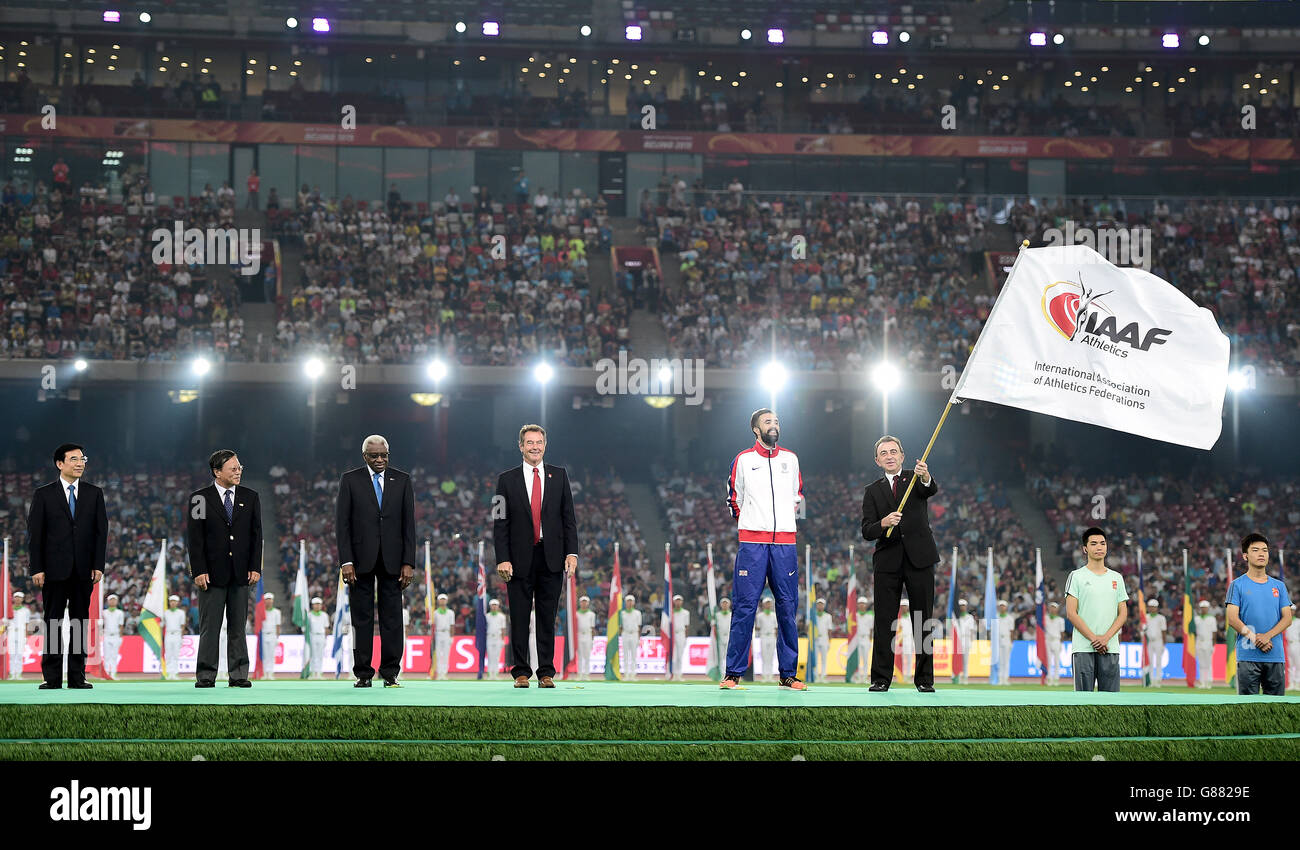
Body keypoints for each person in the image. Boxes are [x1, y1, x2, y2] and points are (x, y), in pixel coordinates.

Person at [722, 409, 807, 691]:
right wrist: (750, 522)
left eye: (777, 421)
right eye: (768, 422)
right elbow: (734, 497)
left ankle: (788, 674)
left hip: (785, 543)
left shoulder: (791, 459)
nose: (774, 426)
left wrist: (783, 520)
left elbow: (797, 496)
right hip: (752, 543)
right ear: (756, 430)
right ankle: (733, 673)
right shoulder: (743, 460)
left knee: (787, 607)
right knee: (745, 607)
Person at [492, 424, 579, 688]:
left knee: (546, 617)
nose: (535, 447)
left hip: (551, 557)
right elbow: (499, 523)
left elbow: (569, 520)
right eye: (529, 442)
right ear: (520, 446)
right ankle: (520, 671)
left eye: (539, 442)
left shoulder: (560, 476)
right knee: (519, 616)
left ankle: (546, 672)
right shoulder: (505, 480)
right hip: (518, 560)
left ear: (545, 445)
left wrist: (572, 552)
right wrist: (502, 558)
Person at [860, 435, 939, 692]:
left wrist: (925, 476)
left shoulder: (916, 478)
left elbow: (930, 489)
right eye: (884, 453)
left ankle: (925, 680)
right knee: (884, 621)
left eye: (894, 451)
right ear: (877, 460)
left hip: (920, 559)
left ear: (902, 456)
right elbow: (867, 530)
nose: (890, 456)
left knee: (922, 620)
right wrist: (883, 523)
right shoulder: (872, 491)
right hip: (887, 561)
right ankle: (881, 679)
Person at [337, 435, 416, 688]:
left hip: (394, 561)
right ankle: (363, 673)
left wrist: (409, 562)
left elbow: (409, 525)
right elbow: (343, 525)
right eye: (374, 456)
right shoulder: (350, 480)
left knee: (393, 618)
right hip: (359, 561)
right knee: (361, 618)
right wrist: (345, 561)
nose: (380, 460)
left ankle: (390, 672)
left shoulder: (402, 480)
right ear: (364, 456)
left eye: (384, 455)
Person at [28, 443, 107, 689]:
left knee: (80, 622)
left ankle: (77, 676)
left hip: (84, 570)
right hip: (52, 570)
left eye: (82, 458)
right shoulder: (44, 494)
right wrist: (37, 567)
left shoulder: (95, 493)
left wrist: (98, 565)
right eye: (74, 459)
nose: (80, 463)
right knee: (53, 622)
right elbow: (35, 534)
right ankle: (51, 677)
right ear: (60, 464)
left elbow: (100, 532)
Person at [187, 448, 262, 688]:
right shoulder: (199, 498)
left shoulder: (251, 497)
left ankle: (239, 674)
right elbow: (195, 538)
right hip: (211, 575)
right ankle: (206, 675)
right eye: (233, 468)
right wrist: (198, 570)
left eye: (240, 467)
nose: (238, 471)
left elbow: (256, 535)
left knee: (238, 627)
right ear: (217, 472)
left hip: (241, 574)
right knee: (210, 628)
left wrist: (255, 567)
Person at [1226, 533, 1292, 696]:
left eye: (1265, 550)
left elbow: (1287, 618)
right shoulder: (1237, 585)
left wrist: (1267, 636)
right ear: (1245, 556)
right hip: (1248, 655)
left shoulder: (1279, 586)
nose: (1261, 554)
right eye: (1255, 550)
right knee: (1247, 711)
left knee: (1277, 711)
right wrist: (1255, 638)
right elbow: (1232, 618)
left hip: (1275, 655)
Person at [1064, 527, 1128, 692]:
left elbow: (1123, 613)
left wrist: (1105, 638)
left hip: (1110, 646)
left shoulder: (1116, 578)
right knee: (1083, 703)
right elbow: (1071, 613)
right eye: (1093, 544)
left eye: (1102, 543)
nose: (1099, 547)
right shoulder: (1076, 576)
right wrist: (1094, 639)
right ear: (1085, 549)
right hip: (1084, 647)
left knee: (1111, 703)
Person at [6, 591, 30, 678]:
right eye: (16, 597)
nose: (17, 599)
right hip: (11, 632)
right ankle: (12, 673)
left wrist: (26, 636)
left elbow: (27, 624)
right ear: (13, 598)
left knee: (19, 654)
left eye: (19, 597)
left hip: (21, 632)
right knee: (12, 654)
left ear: (22, 599)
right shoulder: (9, 610)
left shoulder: (26, 610)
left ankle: (19, 673)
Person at [1144, 598, 1167, 687]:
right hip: (1150, 642)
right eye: (1150, 607)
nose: (1152, 608)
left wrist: (1164, 643)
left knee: (1158, 662)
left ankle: (1158, 680)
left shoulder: (1161, 618)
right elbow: (1143, 629)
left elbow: (1164, 631)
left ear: (1157, 608)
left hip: (1158, 641)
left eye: (1153, 607)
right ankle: (1150, 680)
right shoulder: (1146, 617)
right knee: (1149, 662)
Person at [850, 596, 873, 683]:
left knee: (866, 659)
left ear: (866, 605)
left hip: (866, 638)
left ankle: (865, 677)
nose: (862, 605)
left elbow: (871, 630)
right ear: (857, 605)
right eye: (860, 603)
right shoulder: (855, 616)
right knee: (858, 659)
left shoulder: (870, 616)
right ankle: (859, 677)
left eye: (863, 603)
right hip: (857, 639)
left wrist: (870, 640)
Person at [754, 596, 778, 682]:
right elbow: (757, 627)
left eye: (769, 603)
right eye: (766, 603)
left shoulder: (774, 615)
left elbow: (776, 628)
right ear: (763, 605)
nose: (768, 605)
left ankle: (770, 676)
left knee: (771, 656)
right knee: (764, 656)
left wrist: (775, 637)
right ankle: (764, 676)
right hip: (763, 636)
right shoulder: (759, 616)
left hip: (772, 637)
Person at [1193, 600, 1216, 689]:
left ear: (1208, 608)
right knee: (1201, 664)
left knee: (1208, 663)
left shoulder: (1212, 618)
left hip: (1208, 641)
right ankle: (1202, 682)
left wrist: (1213, 644)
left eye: (1205, 608)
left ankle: (1209, 681)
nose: (1204, 609)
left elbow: (1214, 632)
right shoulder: (1196, 618)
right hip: (1199, 641)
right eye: (1202, 608)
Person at [619, 594, 642, 679]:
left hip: (634, 634)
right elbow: (620, 626)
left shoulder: (637, 613)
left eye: (631, 601)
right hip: (625, 633)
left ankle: (633, 674)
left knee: (633, 655)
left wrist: (639, 638)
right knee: (625, 655)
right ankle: (626, 674)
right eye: (628, 601)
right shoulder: (622, 613)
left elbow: (639, 626)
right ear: (625, 602)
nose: (629, 603)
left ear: (634, 602)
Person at [1043, 601, 1066, 685]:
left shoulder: (1060, 620)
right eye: (1051, 607)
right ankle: (1049, 678)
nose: (1052, 609)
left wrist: (1060, 643)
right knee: (1049, 660)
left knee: (1056, 661)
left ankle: (1056, 679)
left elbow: (1062, 633)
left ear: (1057, 609)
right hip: (1048, 640)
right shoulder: (1045, 618)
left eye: (1054, 607)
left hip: (1056, 640)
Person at [162, 594, 184, 680]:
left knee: (175, 655)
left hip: (177, 634)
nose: (173, 603)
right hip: (168, 634)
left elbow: (182, 625)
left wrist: (181, 636)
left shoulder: (181, 613)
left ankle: (174, 673)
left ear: (177, 602)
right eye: (171, 601)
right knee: (168, 654)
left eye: (174, 601)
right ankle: (168, 673)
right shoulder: (165, 613)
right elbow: (162, 624)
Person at [307, 597, 330, 679]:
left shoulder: (324, 615)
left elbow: (326, 628)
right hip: (312, 635)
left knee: (320, 655)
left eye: (319, 604)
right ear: (313, 605)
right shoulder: (309, 615)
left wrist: (326, 638)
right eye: (315, 604)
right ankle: (313, 673)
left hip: (321, 636)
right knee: (313, 655)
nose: (317, 606)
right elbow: (307, 628)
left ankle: (319, 673)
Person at [955, 599, 976, 684]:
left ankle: (965, 677)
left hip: (966, 639)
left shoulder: (970, 617)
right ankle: (958, 676)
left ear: (966, 606)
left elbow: (972, 631)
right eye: (960, 606)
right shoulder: (956, 617)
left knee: (965, 661)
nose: (962, 607)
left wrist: (971, 641)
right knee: (958, 660)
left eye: (963, 606)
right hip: (958, 640)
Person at [433, 593, 454, 679]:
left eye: (444, 599)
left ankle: (444, 673)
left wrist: (452, 637)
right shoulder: (435, 613)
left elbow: (452, 625)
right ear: (438, 601)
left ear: (447, 601)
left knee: (446, 654)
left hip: (447, 633)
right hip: (438, 633)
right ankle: (439, 672)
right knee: (438, 654)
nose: (442, 601)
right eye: (441, 599)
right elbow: (433, 625)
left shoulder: (450, 612)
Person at [485, 598, 507, 679]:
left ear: (498, 606)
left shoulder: (502, 616)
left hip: (498, 637)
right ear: (490, 606)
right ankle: (490, 673)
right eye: (492, 605)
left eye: (495, 605)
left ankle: (496, 673)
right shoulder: (487, 616)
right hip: (490, 637)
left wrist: (503, 639)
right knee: (490, 656)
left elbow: (503, 628)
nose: (494, 607)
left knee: (497, 656)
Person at [260, 592, 280, 680]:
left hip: (272, 635)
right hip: (264, 635)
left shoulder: (277, 612)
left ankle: (271, 673)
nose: (269, 601)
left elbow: (278, 625)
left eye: (270, 599)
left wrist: (277, 637)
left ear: (273, 601)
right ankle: (264, 673)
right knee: (264, 655)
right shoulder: (261, 611)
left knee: (271, 655)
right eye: (267, 599)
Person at [575, 595, 595, 681]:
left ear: (588, 603)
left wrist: (592, 639)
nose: (584, 603)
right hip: (579, 635)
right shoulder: (576, 614)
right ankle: (579, 674)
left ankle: (586, 674)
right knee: (579, 655)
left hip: (588, 635)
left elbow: (593, 628)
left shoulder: (591, 614)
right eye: (582, 602)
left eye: (585, 602)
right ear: (580, 603)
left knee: (587, 655)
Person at [712, 597, 731, 680]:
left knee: (728, 656)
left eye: (726, 603)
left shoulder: (732, 614)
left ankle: (728, 674)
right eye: (723, 603)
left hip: (729, 637)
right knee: (720, 656)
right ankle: (721, 674)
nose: (725, 605)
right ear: (720, 605)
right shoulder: (717, 615)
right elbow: (714, 626)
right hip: (720, 637)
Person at [670, 594, 689, 680]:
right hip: (673, 634)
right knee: (673, 655)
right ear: (674, 602)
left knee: (680, 655)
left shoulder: (686, 613)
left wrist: (685, 637)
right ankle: (673, 674)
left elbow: (686, 626)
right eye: (676, 601)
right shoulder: (670, 613)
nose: (678, 602)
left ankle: (679, 674)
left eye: (679, 600)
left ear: (682, 602)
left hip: (681, 634)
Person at [895, 598, 914, 683]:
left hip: (909, 639)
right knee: (900, 658)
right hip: (899, 640)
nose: (903, 608)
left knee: (909, 659)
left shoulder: (911, 616)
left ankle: (908, 676)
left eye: (905, 606)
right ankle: (900, 676)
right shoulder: (897, 617)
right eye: (902, 606)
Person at [812, 597, 831, 680]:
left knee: (824, 658)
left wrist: (829, 641)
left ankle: (823, 676)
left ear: (824, 606)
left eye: (821, 604)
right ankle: (815, 675)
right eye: (818, 604)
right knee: (815, 659)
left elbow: (829, 629)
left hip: (824, 638)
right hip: (815, 639)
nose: (820, 606)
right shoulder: (813, 616)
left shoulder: (828, 616)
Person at [995, 600, 1013, 685]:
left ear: (1006, 607)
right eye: (1000, 606)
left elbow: (1012, 631)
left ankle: (1006, 678)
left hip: (1006, 639)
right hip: (998, 639)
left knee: (1006, 660)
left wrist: (1011, 642)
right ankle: (1000, 678)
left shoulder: (1010, 618)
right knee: (1000, 660)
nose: (1002, 607)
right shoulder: (995, 617)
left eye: (1003, 606)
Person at [1286, 603, 1299, 688]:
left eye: (1293, 611)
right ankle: (1291, 683)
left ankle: (1297, 683)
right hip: (1287, 644)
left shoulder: (1298, 621)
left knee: (1298, 664)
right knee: (1289, 664)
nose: (1292, 612)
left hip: (1296, 643)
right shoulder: (1285, 621)